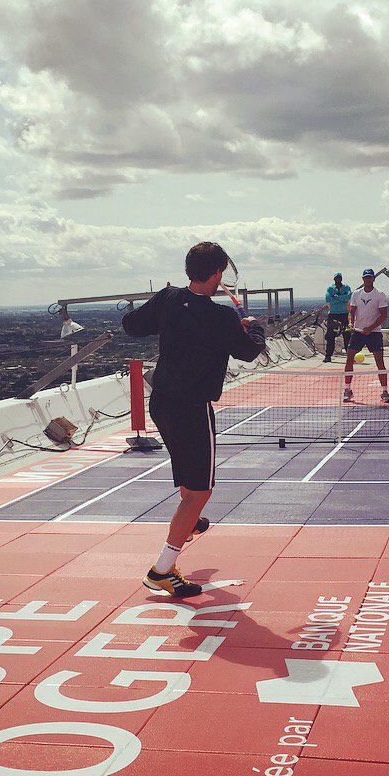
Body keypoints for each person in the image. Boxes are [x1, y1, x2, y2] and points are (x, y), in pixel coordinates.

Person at [122, 241, 266, 599]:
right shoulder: (221, 317)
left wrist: (161, 306)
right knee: (200, 490)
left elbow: (131, 326)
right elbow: (250, 351)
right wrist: (254, 327)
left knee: (189, 477)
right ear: (216, 274)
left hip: (162, 403)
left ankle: (190, 523)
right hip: (192, 409)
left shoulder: (169, 298)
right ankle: (162, 569)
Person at [344, 268, 389, 404]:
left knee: (380, 362)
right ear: (363, 279)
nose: (368, 279)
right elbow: (352, 312)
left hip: (374, 333)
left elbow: (383, 315)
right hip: (358, 332)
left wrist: (370, 329)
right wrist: (351, 324)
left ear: (373, 279)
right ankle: (347, 389)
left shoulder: (380, 295)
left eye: (370, 277)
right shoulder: (356, 294)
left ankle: (384, 391)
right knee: (349, 358)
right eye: (366, 277)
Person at [322, 271, 352, 361]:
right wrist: (341, 298)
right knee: (331, 336)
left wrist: (336, 297)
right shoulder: (330, 288)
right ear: (334, 279)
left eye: (339, 278)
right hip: (333, 315)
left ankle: (350, 356)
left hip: (344, 314)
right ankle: (328, 356)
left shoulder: (346, 287)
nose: (338, 279)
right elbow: (328, 299)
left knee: (347, 335)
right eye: (336, 278)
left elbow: (348, 296)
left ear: (341, 279)